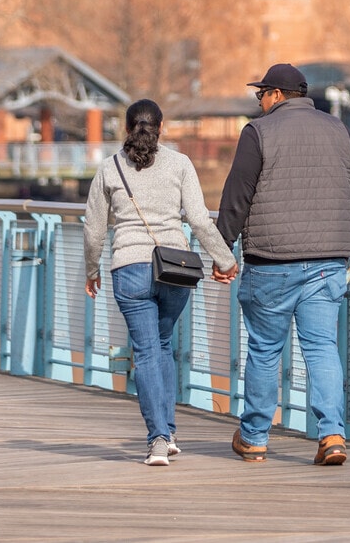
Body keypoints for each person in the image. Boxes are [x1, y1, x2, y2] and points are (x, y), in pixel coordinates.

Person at [215, 63, 350, 467]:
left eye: (261, 95)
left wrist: (221, 250)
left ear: (277, 95)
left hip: (271, 262)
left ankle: (254, 438)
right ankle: (332, 435)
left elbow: (237, 196)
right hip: (326, 265)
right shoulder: (339, 130)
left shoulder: (258, 132)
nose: (259, 103)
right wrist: (342, 241)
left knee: (265, 350)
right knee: (321, 348)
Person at [83, 99, 236, 467]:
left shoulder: (109, 168)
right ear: (161, 127)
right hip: (174, 270)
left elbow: (93, 229)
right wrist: (225, 259)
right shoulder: (180, 164)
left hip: (129, 269)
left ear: (126, 128)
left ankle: (159, 439)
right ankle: (168, 433)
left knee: (147, 351)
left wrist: (91, 270)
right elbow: (199, 220)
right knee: (162, 345)